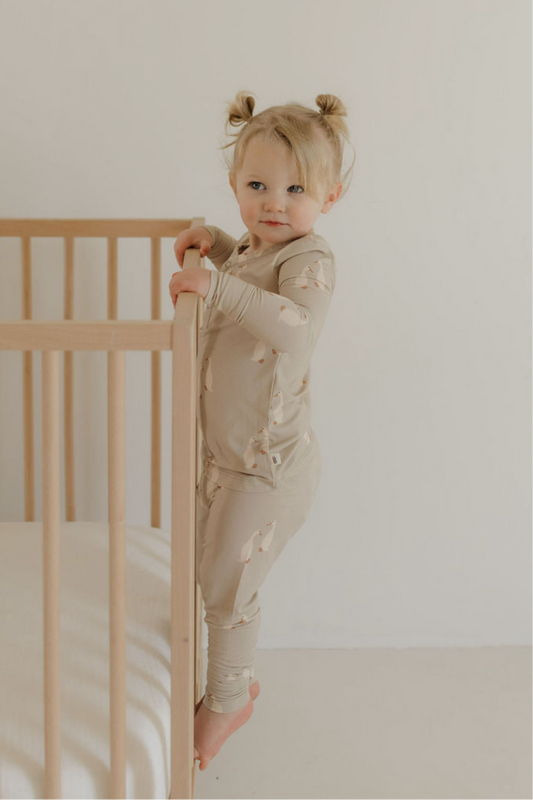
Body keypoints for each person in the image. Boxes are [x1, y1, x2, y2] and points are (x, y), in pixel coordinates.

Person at [168, 90, 355, 772]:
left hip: (269, 466)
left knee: (227, 583)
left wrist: (214, 285)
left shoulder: (310, 259)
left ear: (328, 196)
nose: (273, 202)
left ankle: (228, 697)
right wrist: (216, 247)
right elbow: (245, 272)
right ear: (234, 186)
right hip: (227, 458)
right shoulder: (252, 248)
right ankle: (221, 679)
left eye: (294, 189)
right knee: (207, 569)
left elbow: (292, 326)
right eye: (257, 186)